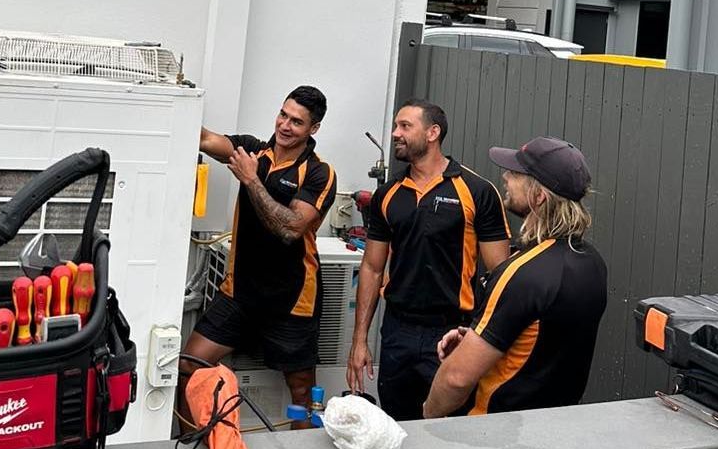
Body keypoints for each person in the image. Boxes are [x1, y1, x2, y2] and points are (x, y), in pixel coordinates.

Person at [180, 85, 337, 429]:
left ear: (314, 129)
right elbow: (204, 138)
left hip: (292, 300)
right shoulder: (252, 150)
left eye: (297, 121)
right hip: (240, 293)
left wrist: (251, 181)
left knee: (302, 394)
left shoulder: (318, 173)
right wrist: (179, 99)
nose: (284, 125)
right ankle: (193, 445)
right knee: (189, 365)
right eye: (283, 114)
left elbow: (291, 229)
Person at [346, 100, 511, 421]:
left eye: (405, 126)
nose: (395, 133)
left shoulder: (476, 191)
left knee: (449, 429)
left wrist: (482, 340)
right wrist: (359, 341)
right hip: (397, 332)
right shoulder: (388, 193)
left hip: (452, 332)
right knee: (395, 423)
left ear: (433, 132)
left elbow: (500, 276)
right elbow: (372, 267)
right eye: (395, 126)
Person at [421, 136, 608, 418]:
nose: (505, 177)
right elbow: (543, 341)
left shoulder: (522, 272)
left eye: (516, 173)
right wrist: (475, 339)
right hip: (554, 426)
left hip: (497, 433)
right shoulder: (592, 262)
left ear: (539, 196)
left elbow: (456, 379)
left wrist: (429, 417)